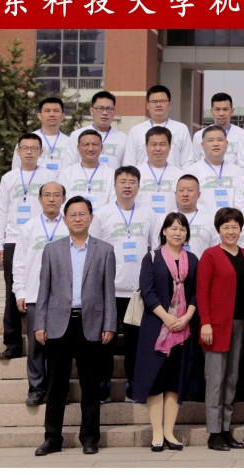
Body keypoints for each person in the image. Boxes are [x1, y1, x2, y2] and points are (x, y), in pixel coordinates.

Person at [32, 196, 116, 456]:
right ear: (65, 219)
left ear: (91, 218)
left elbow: (108, 291)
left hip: (91, 324)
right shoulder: (52, 250)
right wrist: (40, 323)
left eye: (82, 214)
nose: (78, 219)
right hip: (59, 325)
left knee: (90, 385)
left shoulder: (104, 250)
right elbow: (43, 290)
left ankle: (89, 438)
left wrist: (109, 324)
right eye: (73, 215)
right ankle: (52, 438)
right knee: (56, 385)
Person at [136, 212, 203, 452]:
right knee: (156, 379)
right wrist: (167, 317)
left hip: (183, 329)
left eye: (182, 229)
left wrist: (186, 317)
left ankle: (169, 433)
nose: (178, 232)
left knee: (175, 381)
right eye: (173, 228)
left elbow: (197, 292)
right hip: (156, 327)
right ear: (164, 231)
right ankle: (157, 433)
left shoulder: (192, 259)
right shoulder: (152, 258)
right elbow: (147, 291)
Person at [89, 166, 154, 403]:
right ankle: (102, 384)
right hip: (109, 290)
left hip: (137, 291)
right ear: (114, 185)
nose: (127, 186)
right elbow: (94, 252)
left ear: (139, 186)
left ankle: (134, 385)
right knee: (105, 340)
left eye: (132, 182)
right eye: (123, 181)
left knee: (136, 342)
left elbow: (155, 249)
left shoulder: (148, 214)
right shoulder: (102, 214)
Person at [0, 133, 58, 361]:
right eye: (25, 148)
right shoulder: (9, 178)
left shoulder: (50, 176)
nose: (29, 152)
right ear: (18, 151)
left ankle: (52, 338)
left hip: (44, 238)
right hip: (14, 240)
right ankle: (12, 343)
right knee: (13, 291)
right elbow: (0, 211)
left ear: (41, 152)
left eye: (34, 148)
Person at [197, 207, 244, 451]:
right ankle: (214, 432)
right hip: (217, 326)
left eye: (235, 227)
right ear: (218, 230)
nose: (230, 231)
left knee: (231, 379)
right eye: (225, 227)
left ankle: (226, 429)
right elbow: (202, 290)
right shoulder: (210, 254)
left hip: (241, 324)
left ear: (241, 229)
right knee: (215, 379)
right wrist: (205, 322)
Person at [11, 182, 69, 406]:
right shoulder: (28, 228)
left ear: (64, 199)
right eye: (47, 195)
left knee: (59, 347)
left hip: (63, 297)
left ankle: (57, 390)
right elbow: (19, 263)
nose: (51, 199)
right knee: (36, 347)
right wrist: (20, 292)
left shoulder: (70, 226)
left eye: (56, 195)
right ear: (40, 199)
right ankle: (36, 388)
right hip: (35, 295)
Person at [125, 85, 193, 168]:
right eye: (154, 101)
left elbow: (187, 161)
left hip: (173, 176)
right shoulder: (136, 130)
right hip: (143, 176)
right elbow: (129, 162)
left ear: (169, 104)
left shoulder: (181, 129)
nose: (158, 105)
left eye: (163, 101)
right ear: (147, 105)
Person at [188, 124, 244, 215]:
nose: (216, 144)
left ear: (227, 143)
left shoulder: (238, 171)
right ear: (202, 145)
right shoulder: (192, 172)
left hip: (231, 222)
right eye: (210, 140)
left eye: (220, 140)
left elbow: (242, 202)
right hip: (203, 221)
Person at [156, 175, 216, 257]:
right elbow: (157, 248)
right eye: (181, 190)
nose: (185, 194)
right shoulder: (163, 219)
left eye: (190, 190)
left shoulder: (210, 221)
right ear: (175, 194)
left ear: (198, 194)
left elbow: (215, 252)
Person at [58, 129, 116, 211]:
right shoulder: (66, 173)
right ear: (78, 148)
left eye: (95, 144)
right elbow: (61, 202)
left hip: (102, 218)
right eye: (86, 144)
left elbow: (113, 203)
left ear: (101, 147)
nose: (91, 148)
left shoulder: (111, 174)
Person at [136, 126, 187, 217]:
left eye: (162, 144)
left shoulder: (180, 175)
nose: (158, 149)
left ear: (169, 147)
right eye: (153, 144)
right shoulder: (135, 174)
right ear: (146, 146)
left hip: (170, 224)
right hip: (142, 221)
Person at [187, 93, 244, 168]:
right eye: (217, 109)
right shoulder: (199, 135)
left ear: (232, 111)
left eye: (225, 109)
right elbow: (196, 163)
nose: (221, 113)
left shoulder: (243, 135)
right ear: (211, 111)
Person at [10, 97, 71, 171]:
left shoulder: (70, 142)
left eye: (56, 111)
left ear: (62, 116)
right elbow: (16, 169)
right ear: (39, 116)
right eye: (47, 111)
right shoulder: (27, 141)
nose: (52, 114)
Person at [69, 91, 125, 167]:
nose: (105, 113)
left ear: (114, 112)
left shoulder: (123, 138)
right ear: (91, 111)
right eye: (100, 108)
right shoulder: (77, 135)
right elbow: (69, 166)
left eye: (109, 109)